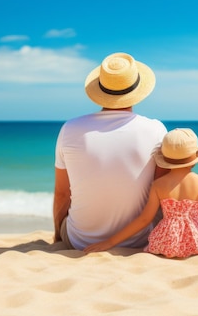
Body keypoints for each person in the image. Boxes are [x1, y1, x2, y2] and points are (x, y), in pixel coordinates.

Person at [53, 52, 168, 250]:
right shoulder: (155, 129)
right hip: (138, 240)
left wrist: (58, 236)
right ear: (137, 90)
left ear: (100, 89)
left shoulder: (70, 129)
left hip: (79, 241)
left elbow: (62, 194)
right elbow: (163, 190)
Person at [84, 128, 198, 258]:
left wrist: (110, 242)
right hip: (195, 244)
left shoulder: (158, 185)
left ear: (165, 157)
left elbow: (144, 219)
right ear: (197, 155)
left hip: (165, 243)